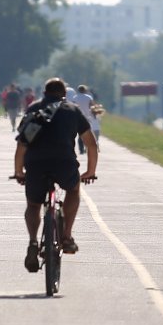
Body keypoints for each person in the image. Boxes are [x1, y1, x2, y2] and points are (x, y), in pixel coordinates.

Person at [13, 78, 98, 272]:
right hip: (64, 163)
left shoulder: (33, 109)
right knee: (74, 190)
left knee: (33, 205)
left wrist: (19, 171)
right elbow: (91, 144)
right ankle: (66, 236)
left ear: (44, 92)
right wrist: (90, 171)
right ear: (63, 94)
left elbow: (22, 144)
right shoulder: (72, 110)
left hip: (35, 164)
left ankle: (33, 242)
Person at [70, 84, 99, 154]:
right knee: (86, 133)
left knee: (78, 134)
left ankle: (80, 149)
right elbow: (92, 107)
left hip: (77, 117)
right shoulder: (89, 97)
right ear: (85, 90)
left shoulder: (75, 97)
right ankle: (86, 147)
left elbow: (72, 107)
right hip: (87, 117)